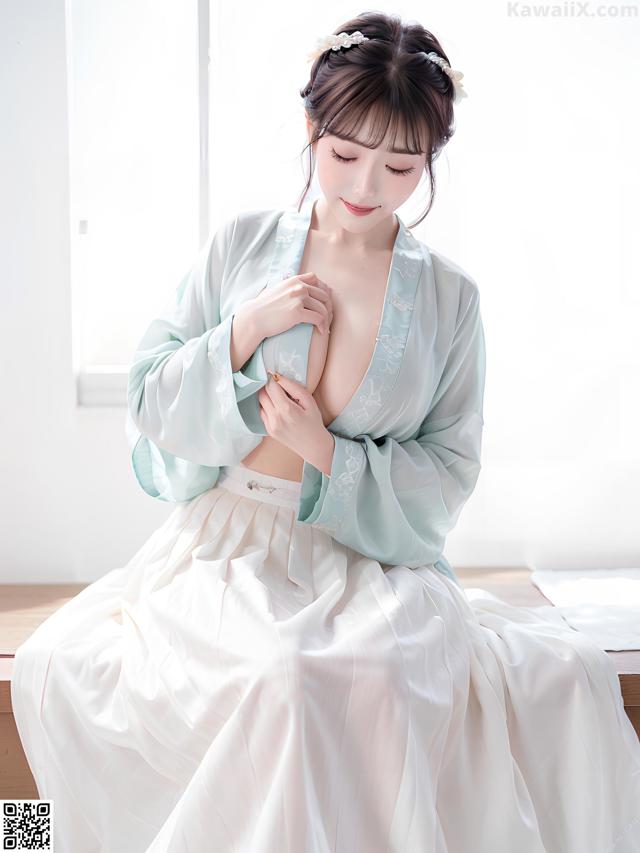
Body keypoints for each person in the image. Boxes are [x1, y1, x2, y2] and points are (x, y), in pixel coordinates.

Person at [11, 11, 640, 853]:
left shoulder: (451, 300)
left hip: (370, 565)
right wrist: (241, 332)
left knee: (364, 680)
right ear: (311, 127)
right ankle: (40, 834)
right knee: (260, 674)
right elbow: (150, 394)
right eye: (345, 154)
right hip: (226, 549)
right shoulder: (240, 247)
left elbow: (451, 468)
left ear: (430, 162)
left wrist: (328, 455)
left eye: (401, 165)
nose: (368, 185)